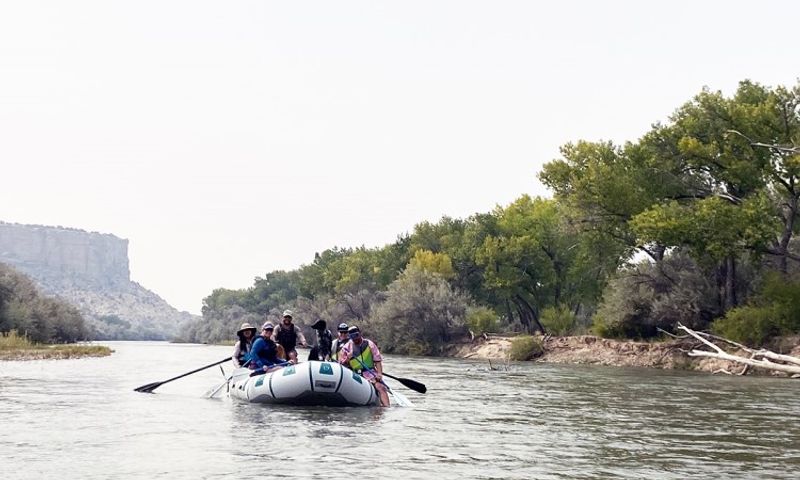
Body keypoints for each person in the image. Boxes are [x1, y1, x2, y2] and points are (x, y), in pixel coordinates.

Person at [338, 325, 390, 407]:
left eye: (356, 335)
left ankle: (387, 408)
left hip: (370, 373)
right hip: (354, 374)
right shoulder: (346, 348)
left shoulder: (369, 344)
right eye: (352, 336)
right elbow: (341, 365)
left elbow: (377, 360)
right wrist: (348, 358)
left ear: (360, 334)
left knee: (381, 387)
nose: (355, 338)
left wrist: (379, 374)